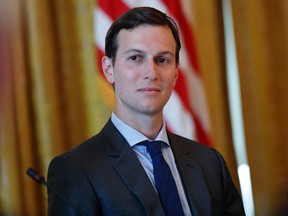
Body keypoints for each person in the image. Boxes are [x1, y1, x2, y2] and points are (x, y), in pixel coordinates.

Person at [47, 7, 246, 216]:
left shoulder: (210, 163)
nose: (151, 73)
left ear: (176, 72)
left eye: (162, 60)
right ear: (108, 69)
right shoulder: (76, 170)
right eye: (135, 58)